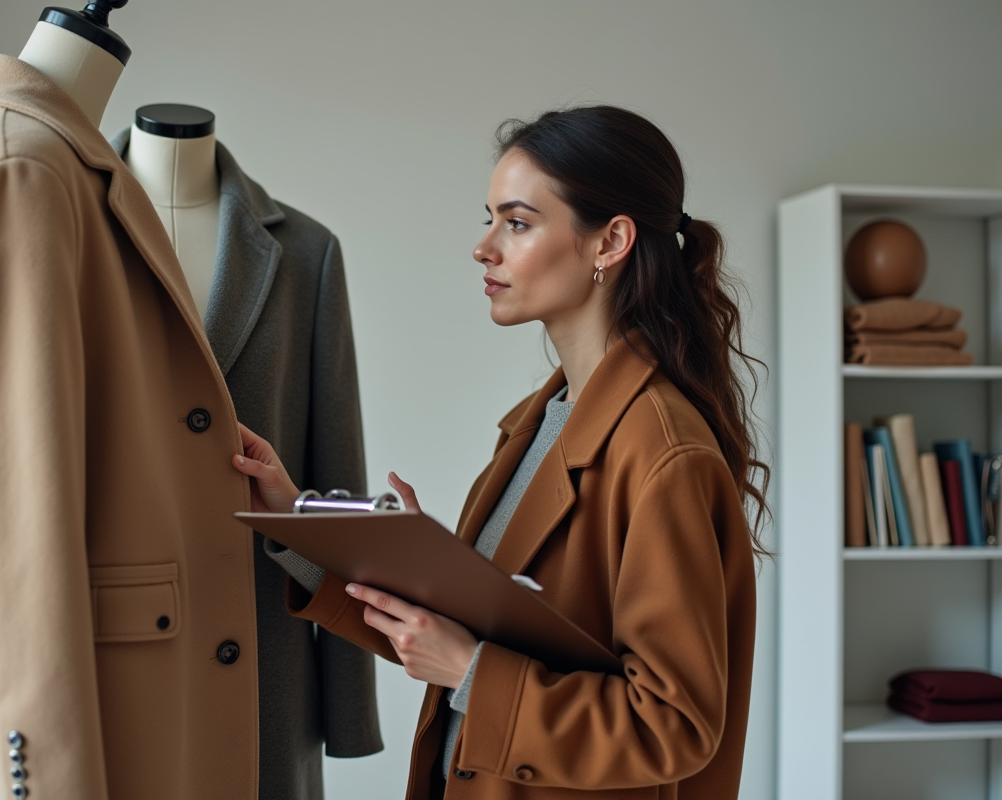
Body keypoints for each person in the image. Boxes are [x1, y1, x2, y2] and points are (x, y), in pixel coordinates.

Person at [232, 105, 767, 799]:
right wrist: (296, 516)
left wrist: (471, 673)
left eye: (516, 223)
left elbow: (673, 726)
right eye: (490, 219)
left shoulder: (663, 454)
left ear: (610, 242)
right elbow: (485, 634)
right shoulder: (542, 421)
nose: (484, 248)